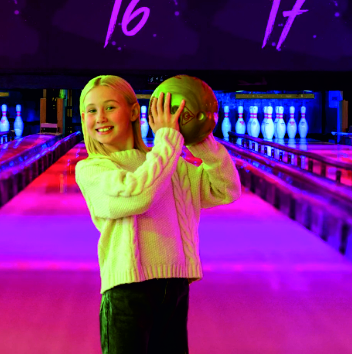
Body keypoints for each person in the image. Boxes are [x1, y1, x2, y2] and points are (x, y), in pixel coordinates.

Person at [75, 75, 241, 354]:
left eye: (109, 107)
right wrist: (168, 142)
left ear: (133, 111)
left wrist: (204, 145)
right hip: (127, 292)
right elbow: (138, 195)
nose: (100, 117)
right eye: (91, 110)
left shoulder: (170, 164)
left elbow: (226, 190)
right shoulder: (92, 169)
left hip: (175, 290)